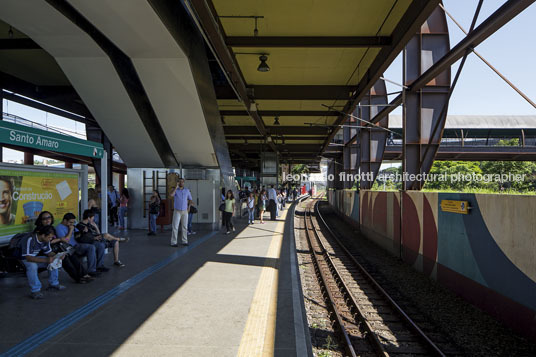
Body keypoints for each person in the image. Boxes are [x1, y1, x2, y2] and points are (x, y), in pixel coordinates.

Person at [34, 211, 91, 284]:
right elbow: (45, 242)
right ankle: (77, 278)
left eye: (49, 218)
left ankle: (83, 274)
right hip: (45, 251)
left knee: (72, 255)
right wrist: (60, 239)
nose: (47, 220)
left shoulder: (51, 228)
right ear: (41, 220)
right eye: (44, 219)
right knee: (65, 259)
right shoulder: (39, 230)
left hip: (56, 249)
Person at [19, 225, 66, 299]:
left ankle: (54, 284)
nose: (50, 239)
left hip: (34, 258)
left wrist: (57, 256)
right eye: (49, 237)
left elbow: (49, 252)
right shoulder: (30, 239)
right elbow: (28, 258)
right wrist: (46, 260)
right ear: (43, 235)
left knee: (53, 260)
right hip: (24, 259)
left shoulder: (45, 240)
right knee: (32, 266)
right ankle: (35, 291)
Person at [56, 212, 99, 280]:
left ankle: (92, 270)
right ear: (64, 220)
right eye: (70, 222)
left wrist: (82, 231)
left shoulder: (71, 226)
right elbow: (66, 240)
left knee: (93, 246)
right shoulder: (59, 228)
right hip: (69, 247)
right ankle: (88, 272)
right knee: (90, 247)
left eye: (73, 222)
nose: (72, 224)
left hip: (77, 244)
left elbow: (77, 234)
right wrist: (70, 230)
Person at [170, 178, 193, 247]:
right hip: (177, 211)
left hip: (185, 211)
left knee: (184, 227)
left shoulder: (187, 190)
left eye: (182, 182)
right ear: (177, 182)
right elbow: (171, 195)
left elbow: (190, 199)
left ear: (184, 183)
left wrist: (189, 207)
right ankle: (173, 242)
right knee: (175, 226)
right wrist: (176, 187)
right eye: (179, 182)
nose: (181, 183)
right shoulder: (175, 190)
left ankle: (184, 241)